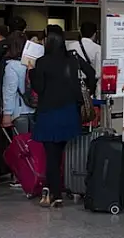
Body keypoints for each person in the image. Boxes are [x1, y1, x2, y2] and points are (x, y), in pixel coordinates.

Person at [29, 27, 95, 207]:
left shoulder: (42, 62)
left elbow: (39, 88)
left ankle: (55, 194)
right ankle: (51, 189)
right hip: (69, 112)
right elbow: (91, 73)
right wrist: (86, 92)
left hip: (49, 113)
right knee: (58, 154)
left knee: (51, 156)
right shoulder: (72, 58)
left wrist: (31, 71)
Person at [2, 32, 35, 135]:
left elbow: (10, 91)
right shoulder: (34, 63)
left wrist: (7, 113)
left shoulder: (11, 66)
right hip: (34, 109)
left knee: (21, 145)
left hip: (19, 112)